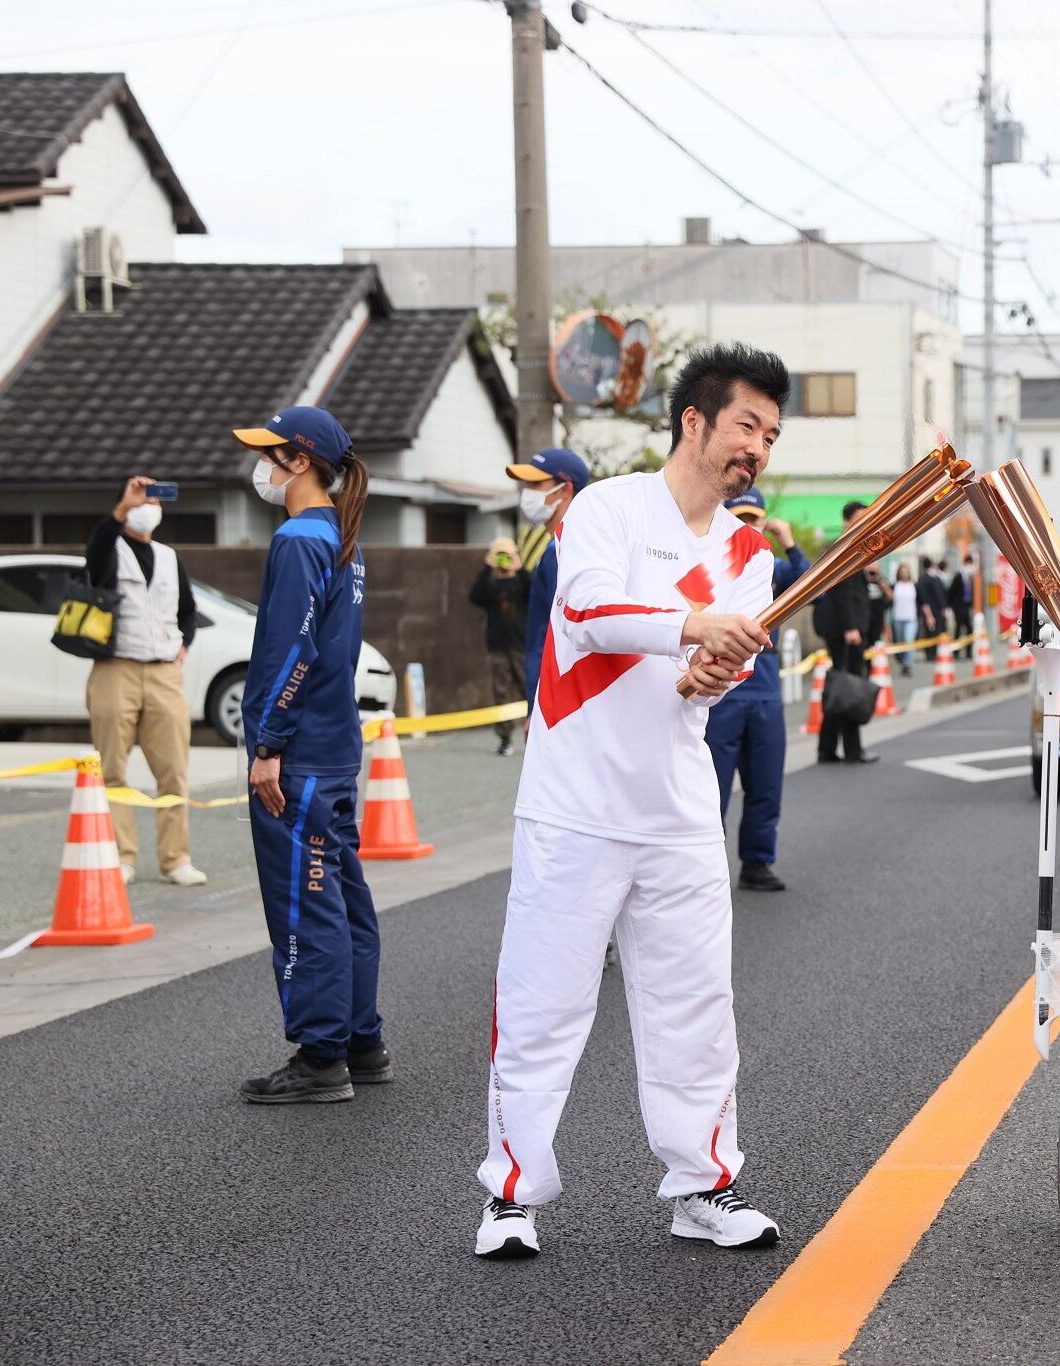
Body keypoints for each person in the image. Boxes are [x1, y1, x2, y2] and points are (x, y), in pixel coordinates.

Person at [477, 343, 788, 1261]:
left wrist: (708, 672)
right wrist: (693, 627)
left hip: (679, 812)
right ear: (694, 421)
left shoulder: (748, 553)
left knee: (696, 1007)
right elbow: (591, 614)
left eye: (770, 436)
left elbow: (707, 683)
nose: (757, 449)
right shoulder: (609, 509)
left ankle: (705, 1184)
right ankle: (510, 1197)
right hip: (574, 803)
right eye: (746, 426)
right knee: (541, 1006)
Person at [231, 405, 384, 1102]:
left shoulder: (300, 538)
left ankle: (322, 1057)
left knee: (306, 902)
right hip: (335, 748)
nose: (257, 465)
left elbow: (292, 650)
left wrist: (267, 744)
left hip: (301, 757)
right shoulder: (341, 538)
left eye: (267, 452)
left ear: (298, 461)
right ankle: (361, 1040)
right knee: (343, 897)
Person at [84, 475, 207, 887]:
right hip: (115, 667)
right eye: (141, 497)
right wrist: (120, 509)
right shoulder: (109, 547)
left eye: (154, 498)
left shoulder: (170, 556)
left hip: (163, 672)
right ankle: (121, 855)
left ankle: (176, 858)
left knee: (173, 769)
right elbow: (95, 558)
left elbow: (188, 609)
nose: (148, 505)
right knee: (112, 767)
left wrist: (184, 643)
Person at [706, 487, 809, 892]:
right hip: (720, 689)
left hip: (764, 685)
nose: (747, 526)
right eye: (739, 517)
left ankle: (757, 861)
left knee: (765, 783)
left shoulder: (772, 566)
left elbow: (809, 586)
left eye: (754, 519)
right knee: (711, 785)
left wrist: (790, 544)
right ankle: (703, 867)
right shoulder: (710, 565)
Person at [506, 447, 589, 710]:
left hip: (560, 701)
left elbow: (554, 637)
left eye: (535, 484)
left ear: (565, 489)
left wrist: (538, 707)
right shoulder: (557, 547)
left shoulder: (566, 551)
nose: (527, 492)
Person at [812, 504, 877, 766]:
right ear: (847, 521)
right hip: (844, 629)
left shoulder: (855, 545)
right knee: (848, 686)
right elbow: (840, 591)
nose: (866, 521)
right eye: (860, 518)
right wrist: (851, 626)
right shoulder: (845, 546)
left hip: (844, 627)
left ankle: (830, 748)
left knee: (843, 685)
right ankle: (849, 749)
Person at [468, 535, 531, 756]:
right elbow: (475, 597)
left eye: (508, 555)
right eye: (500, 556)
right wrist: (487, 568)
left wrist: (519, 569)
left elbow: (534, 592)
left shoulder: (523, 582)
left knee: (529, 689)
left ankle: (536, 734)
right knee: (501, 692)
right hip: (497, 645)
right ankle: (505, 738)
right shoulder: (490, 584)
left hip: (521, 644)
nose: (504, 561)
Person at [889, 561, 919, 676]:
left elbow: (922, 602)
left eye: (906, 571)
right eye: (902, 571)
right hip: (898, 618)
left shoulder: (914, 585)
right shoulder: (895, 585)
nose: (904, 573)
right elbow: (890, 599)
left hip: (911, 618)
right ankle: (902, 662)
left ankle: (907, 664)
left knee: (908, 641)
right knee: (901, 642)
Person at [916, 553, 948, 643]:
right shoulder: (936, 579)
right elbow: (941, 595)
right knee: (936, 633)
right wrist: (943, 607)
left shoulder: (921, 579)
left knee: (928, 634)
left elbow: (921, 597)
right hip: (936, 611)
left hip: (925, 610)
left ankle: (930, 653)